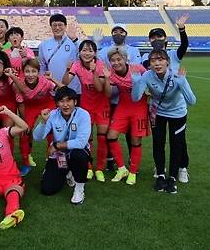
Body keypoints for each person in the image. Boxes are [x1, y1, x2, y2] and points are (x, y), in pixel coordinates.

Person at [132, 49, 196, 194]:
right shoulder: (148, 76)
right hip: (158, 113)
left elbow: (192, 101)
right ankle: (160, 175)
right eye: (153, 60)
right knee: (158, 143)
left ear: (168, 62)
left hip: (178, 113)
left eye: (160, 59)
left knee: (176, 144)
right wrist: (136, 81)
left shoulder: (175, 74)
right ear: (150, 64)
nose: (157, 63)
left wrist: (182, 82)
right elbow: (135, 98)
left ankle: (172, 178)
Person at [141, 15, 192, 183]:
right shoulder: (146, 58)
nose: (156, 40)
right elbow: (145, 78)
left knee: (179, 140)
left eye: (159, 36)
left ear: (165, 40)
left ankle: (182, 167)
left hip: (175, 102)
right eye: (153, 37)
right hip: (158, 105)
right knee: (159, 140)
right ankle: (160, 166)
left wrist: (181, 29)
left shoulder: (173, 54)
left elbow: (184, 45)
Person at [33, 86, 91, 204]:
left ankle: (79, 188)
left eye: (68, 100)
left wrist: (56, 145)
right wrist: (43, 122)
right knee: (47, 189)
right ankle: (68, 172)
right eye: (61, 101)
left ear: (75, 102)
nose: (65, 105)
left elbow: (81, 142)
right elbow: (37, 137)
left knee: (79, 155)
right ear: (57, 103)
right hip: (60, 156)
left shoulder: (83, 115)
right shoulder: (52, 115)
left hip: (76, 152)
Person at [62, 40, 109, 182]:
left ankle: (100, 168)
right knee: (87, 139)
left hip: (102, 106)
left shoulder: (100, 65)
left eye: (90, 50)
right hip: (86, 107)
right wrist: (66, 69)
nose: (86, 53)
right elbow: (65, 82)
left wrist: (94, 71)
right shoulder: (76, 64)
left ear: (95, 53)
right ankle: (88, 166)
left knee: (102, 138)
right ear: (79, 52)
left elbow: (100, 89)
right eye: (84, 50)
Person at [104, 47, 147, 185]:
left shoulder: (138, 68)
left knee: (135, 141)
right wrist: (106, 78)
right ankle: (122, 169)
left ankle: (133, 172)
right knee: (111, 136)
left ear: (125, 59)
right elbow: (109, 93)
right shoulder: (110, 73)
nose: (116, 63)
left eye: (119, 59)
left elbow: (149, 81)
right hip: (123, 106)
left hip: (139, 107)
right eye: (112, 60)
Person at [18, 58, 60, 176]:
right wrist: (24, 122)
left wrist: (53, 79)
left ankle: (51, 162)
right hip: (30, 108)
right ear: (23, 72)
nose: (30, 75)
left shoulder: (45, 81)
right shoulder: (19, 84)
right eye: (27, 71)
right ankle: (26, 163)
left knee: (52, 133)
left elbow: (60, 90)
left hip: (46, 105)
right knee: (24, 133)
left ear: (38, 72)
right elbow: (20, 104)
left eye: (33, 71)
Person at [37, 14, 81, 93]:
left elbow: (83, 56)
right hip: (53, 89)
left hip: (73, 89)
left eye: (60, 25)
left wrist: (75, 40)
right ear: (51, 27)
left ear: (65, 26)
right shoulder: (44, 45)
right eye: (54, 25)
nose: (57, 28)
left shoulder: (74, 42)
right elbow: (42, 67)